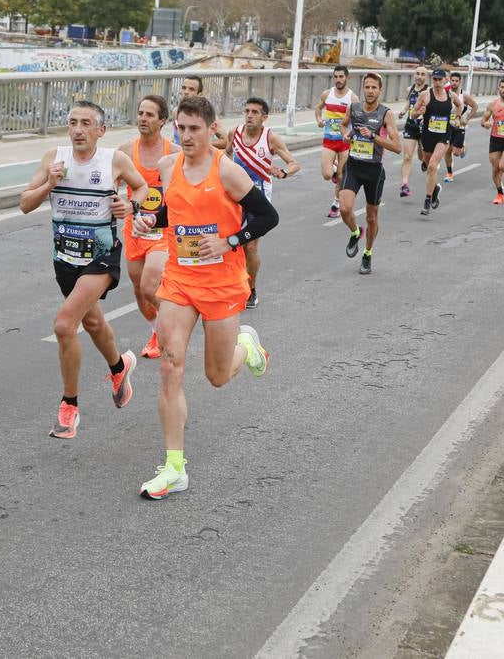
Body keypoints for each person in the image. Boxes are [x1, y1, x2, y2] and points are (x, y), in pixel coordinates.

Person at [132, 95, 278, 499]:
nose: (187, 135)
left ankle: (247, 347)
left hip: (221, 283)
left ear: (212, 129)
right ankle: (174, 468)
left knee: (216, 376)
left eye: (195, 129)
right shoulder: (168, 166)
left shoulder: (227, 171)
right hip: (180, 279)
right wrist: (150, 219)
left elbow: (268, 216)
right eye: (181, 128)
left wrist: (230, 241)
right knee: (170, 365)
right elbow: (172, 210)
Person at [20, 100, 148, 439]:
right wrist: (49, 184)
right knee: (92, 322)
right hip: (65, 258)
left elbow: (143, 187)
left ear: (101, 130)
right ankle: (120, 367)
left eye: (86, 123)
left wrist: (130, 205)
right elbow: (24, 204)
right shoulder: (54, 158)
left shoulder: (113, 160)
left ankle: (70, 407)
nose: (78, 130)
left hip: (101, 257)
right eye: (73, 122)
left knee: (65, 325)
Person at [222, 97, 300, 307]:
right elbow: (226, 155)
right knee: (229, 241)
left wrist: (283, 172)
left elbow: (294, 163)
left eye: (255, 112)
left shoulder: (271, 138)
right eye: (247, 111)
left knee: (250, 247)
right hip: (235, 195)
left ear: (264, 117)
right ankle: (230, 283)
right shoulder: (234, 133)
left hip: (259, 196)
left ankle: (251, 289)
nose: (249, 115)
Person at [118, 95, 178, 359]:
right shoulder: (125, 151)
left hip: (162, 230)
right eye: (141, 113)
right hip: (135, 230)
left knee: (149, 285)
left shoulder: (174, 153)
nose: (143, 118)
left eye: (150, 114)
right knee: (138, 290)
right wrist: (117, 202)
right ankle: (156, 332)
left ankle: (175, 329)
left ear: (162, 120)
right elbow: (111, 186)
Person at [339, 73, 401, 274]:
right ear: (363, 88)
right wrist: (345, 135)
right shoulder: (354, 108)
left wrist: (373, 136)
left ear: (380, 90)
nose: (370, 91)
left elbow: (397, 147)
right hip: (353, 166)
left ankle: (367, 253)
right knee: (344, 209)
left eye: (374, 87)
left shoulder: (385, 114)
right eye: (367, 87)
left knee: (372, 217)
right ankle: (355, 232)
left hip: (373, 170)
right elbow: (343, 124)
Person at [412, 69, 462, 216]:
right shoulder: (425, 95)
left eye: (440, 79)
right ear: (432, 80)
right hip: (427, 136)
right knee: (429, 168)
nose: (437, 82)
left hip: (444, 136)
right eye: (435, 79)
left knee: (433, 166)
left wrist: (457, 118)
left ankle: (427, 201)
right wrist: (419, 112)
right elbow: (413, 114)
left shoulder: (451, 95)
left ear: (445, 80)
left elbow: (459, 105)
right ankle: (435, 190)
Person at [316, 65, 355, 219]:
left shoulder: (352, 98)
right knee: (327, 175)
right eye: (336, 77)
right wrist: (319, 119)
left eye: (341, 77)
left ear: (347, 78)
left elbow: (357, 120)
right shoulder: (327, 94)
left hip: (344, 143)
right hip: (329, 140)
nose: (338, 80)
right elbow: (318, 108)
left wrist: (350, 134)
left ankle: (336, 203)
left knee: (341, 177)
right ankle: (335, 168)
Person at [398, 65, 429, 198]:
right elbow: (409, 103)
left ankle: (425, 161)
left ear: (426, 77)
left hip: (424, 127)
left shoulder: (429, 91)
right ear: (414, 75)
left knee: (422, 155)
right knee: (407, 156)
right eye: (417, 73)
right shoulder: (409, 89)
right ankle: (404, 185)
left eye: (422, 74)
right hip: (410, 125)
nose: (419, 76)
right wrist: (404, 111)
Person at [443, 70, 478, 181]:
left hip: (460, 126)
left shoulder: (464, 95)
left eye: (456, 81)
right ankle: (449, 173)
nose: (454, 83)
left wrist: (467, 118)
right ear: (449, 80)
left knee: (456, 153)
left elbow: (475, 106)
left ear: (460, 82)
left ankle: (462, 147)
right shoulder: (445, 92)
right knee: (447, 150)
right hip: (447, 125)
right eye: (452, 80)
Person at [168, 75, 205, 145]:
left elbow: (224, 140)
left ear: (199, 94)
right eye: (184, 88)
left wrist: (201, 144)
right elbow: (177, 138)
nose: (186, 92)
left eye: (191, 89)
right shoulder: (175, 112)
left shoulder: (206, 114)